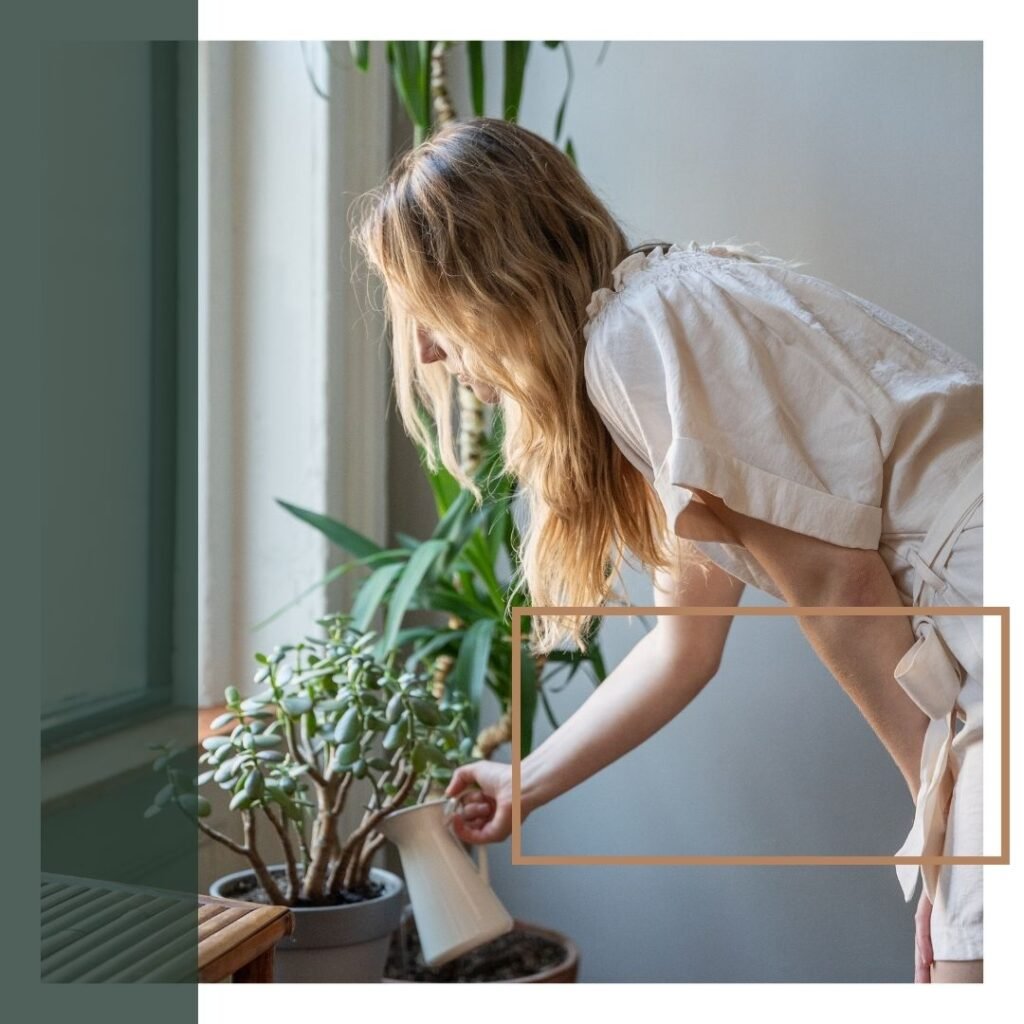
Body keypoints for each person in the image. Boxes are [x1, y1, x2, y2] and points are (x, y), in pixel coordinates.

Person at [351, 117, 983, 984]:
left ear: (502, 278)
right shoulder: (657, 324)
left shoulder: (641, 339)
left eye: (433, 310)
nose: (425, 346)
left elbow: (839, 580)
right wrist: (523, 781)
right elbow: (684, 646)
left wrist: (936, 827)